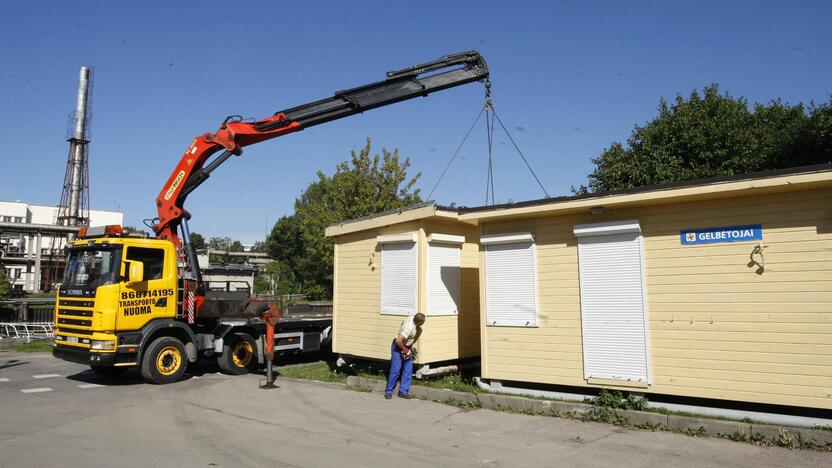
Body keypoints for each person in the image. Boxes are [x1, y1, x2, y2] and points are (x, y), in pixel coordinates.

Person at [385, 312, 425, 399]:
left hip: (406, 346)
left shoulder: (412, 318)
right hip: (397, 347)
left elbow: (402, 322)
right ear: (419, 322)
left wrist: (409, 347)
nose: (424, 323)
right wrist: (405, 349)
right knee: (395, 370)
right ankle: (388, 391)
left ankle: (403, 392)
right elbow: (398, 341)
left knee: (408, 370)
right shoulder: (409, 328)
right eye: (423, 322)